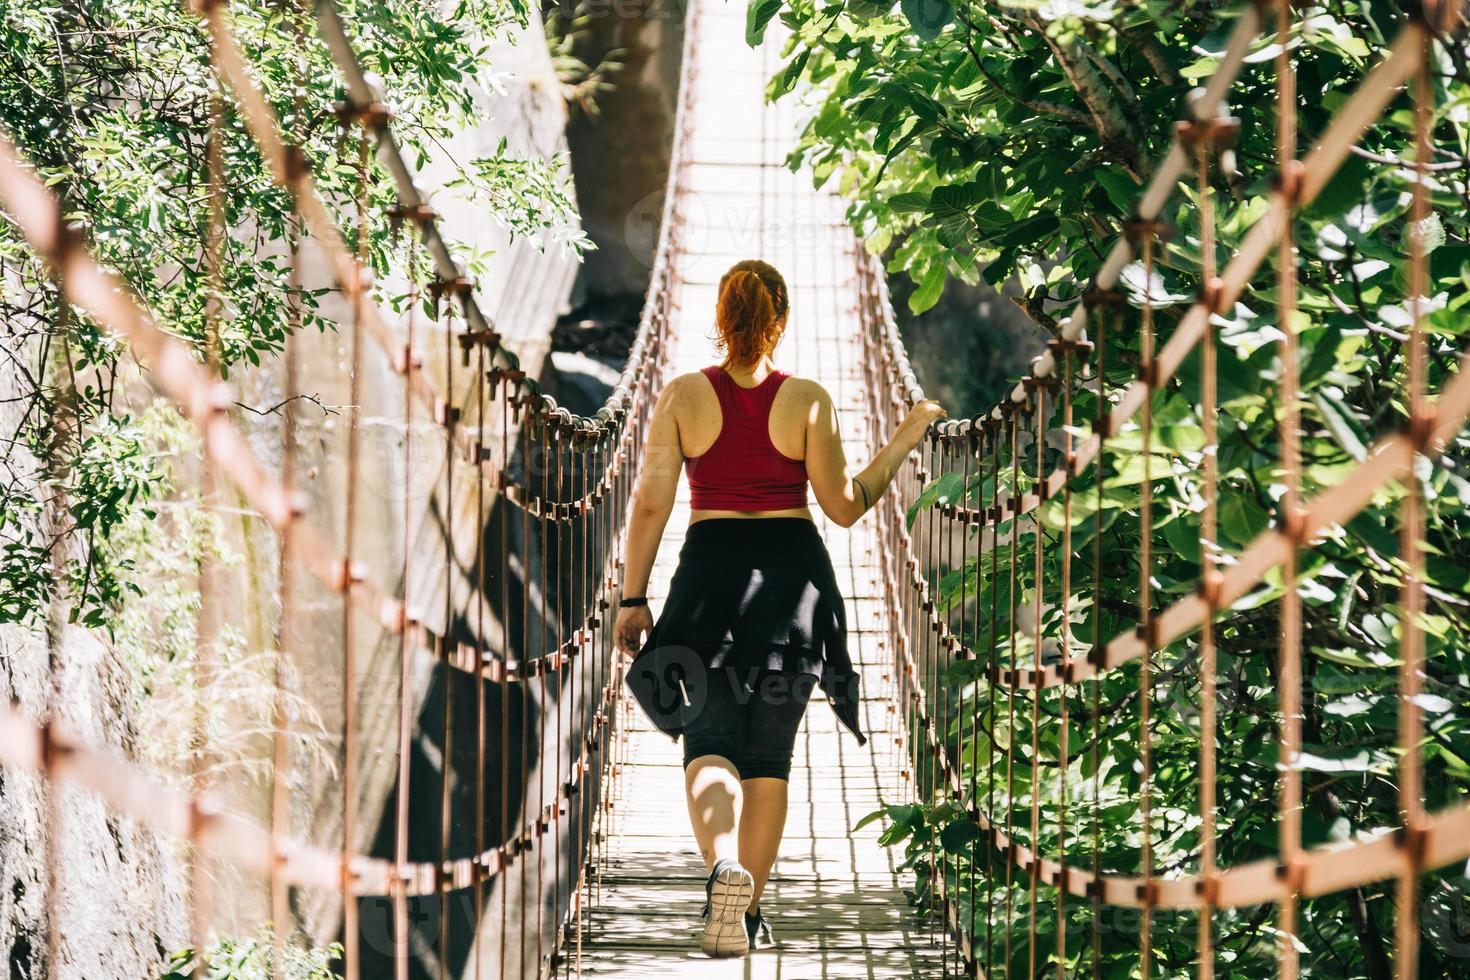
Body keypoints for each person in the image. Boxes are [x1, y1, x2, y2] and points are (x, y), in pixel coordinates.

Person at [612, 258, 944, 958]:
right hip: (795, 589)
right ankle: (746, 913)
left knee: (708, 742)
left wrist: (633, 597)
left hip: (706, 585)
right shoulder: (808, 401)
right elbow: (845, 508)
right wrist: (906, 436)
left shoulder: (680, 398)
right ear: (782, 322)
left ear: (720, 319)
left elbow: (650, 502)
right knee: (768, 757)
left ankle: (721, 867)